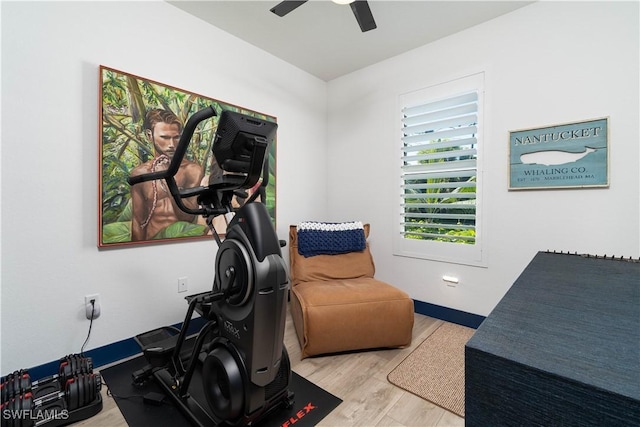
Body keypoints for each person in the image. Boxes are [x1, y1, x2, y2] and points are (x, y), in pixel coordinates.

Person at [129, 109, 204, 241]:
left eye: (176, 137)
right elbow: (138, 222)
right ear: (149, 136)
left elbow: (188, 216)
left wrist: (166, 177)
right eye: (164, 137)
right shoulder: (140, 174)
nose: (171, 145)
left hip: (184, 242)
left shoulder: (192, 170)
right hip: (152, 244)